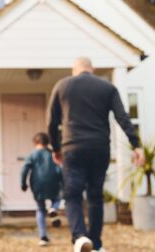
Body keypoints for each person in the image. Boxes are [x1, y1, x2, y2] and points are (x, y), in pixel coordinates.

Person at [47, 57, 145, 252]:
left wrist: (55, 148)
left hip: (72, 147)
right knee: (95, 195)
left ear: (74, 70)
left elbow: (52, 121)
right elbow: (122, 117)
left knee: (73, 195)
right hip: (99, 148)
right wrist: (136, 145)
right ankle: (97, 244)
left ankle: (80, 237)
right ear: (92, 69)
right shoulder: (107, 87)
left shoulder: (62, 85)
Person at [21, 132, 63, 247]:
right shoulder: (52, 154)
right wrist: (62, 182)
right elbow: (60, 168)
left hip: (37, 184)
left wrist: (23, 183)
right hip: (53, 182)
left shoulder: (32, 155)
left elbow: (25, 169)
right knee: (57, 199)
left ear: (35, 142)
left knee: (40, 209)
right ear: (47, 142)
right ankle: (53, 208)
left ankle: (43, 237)